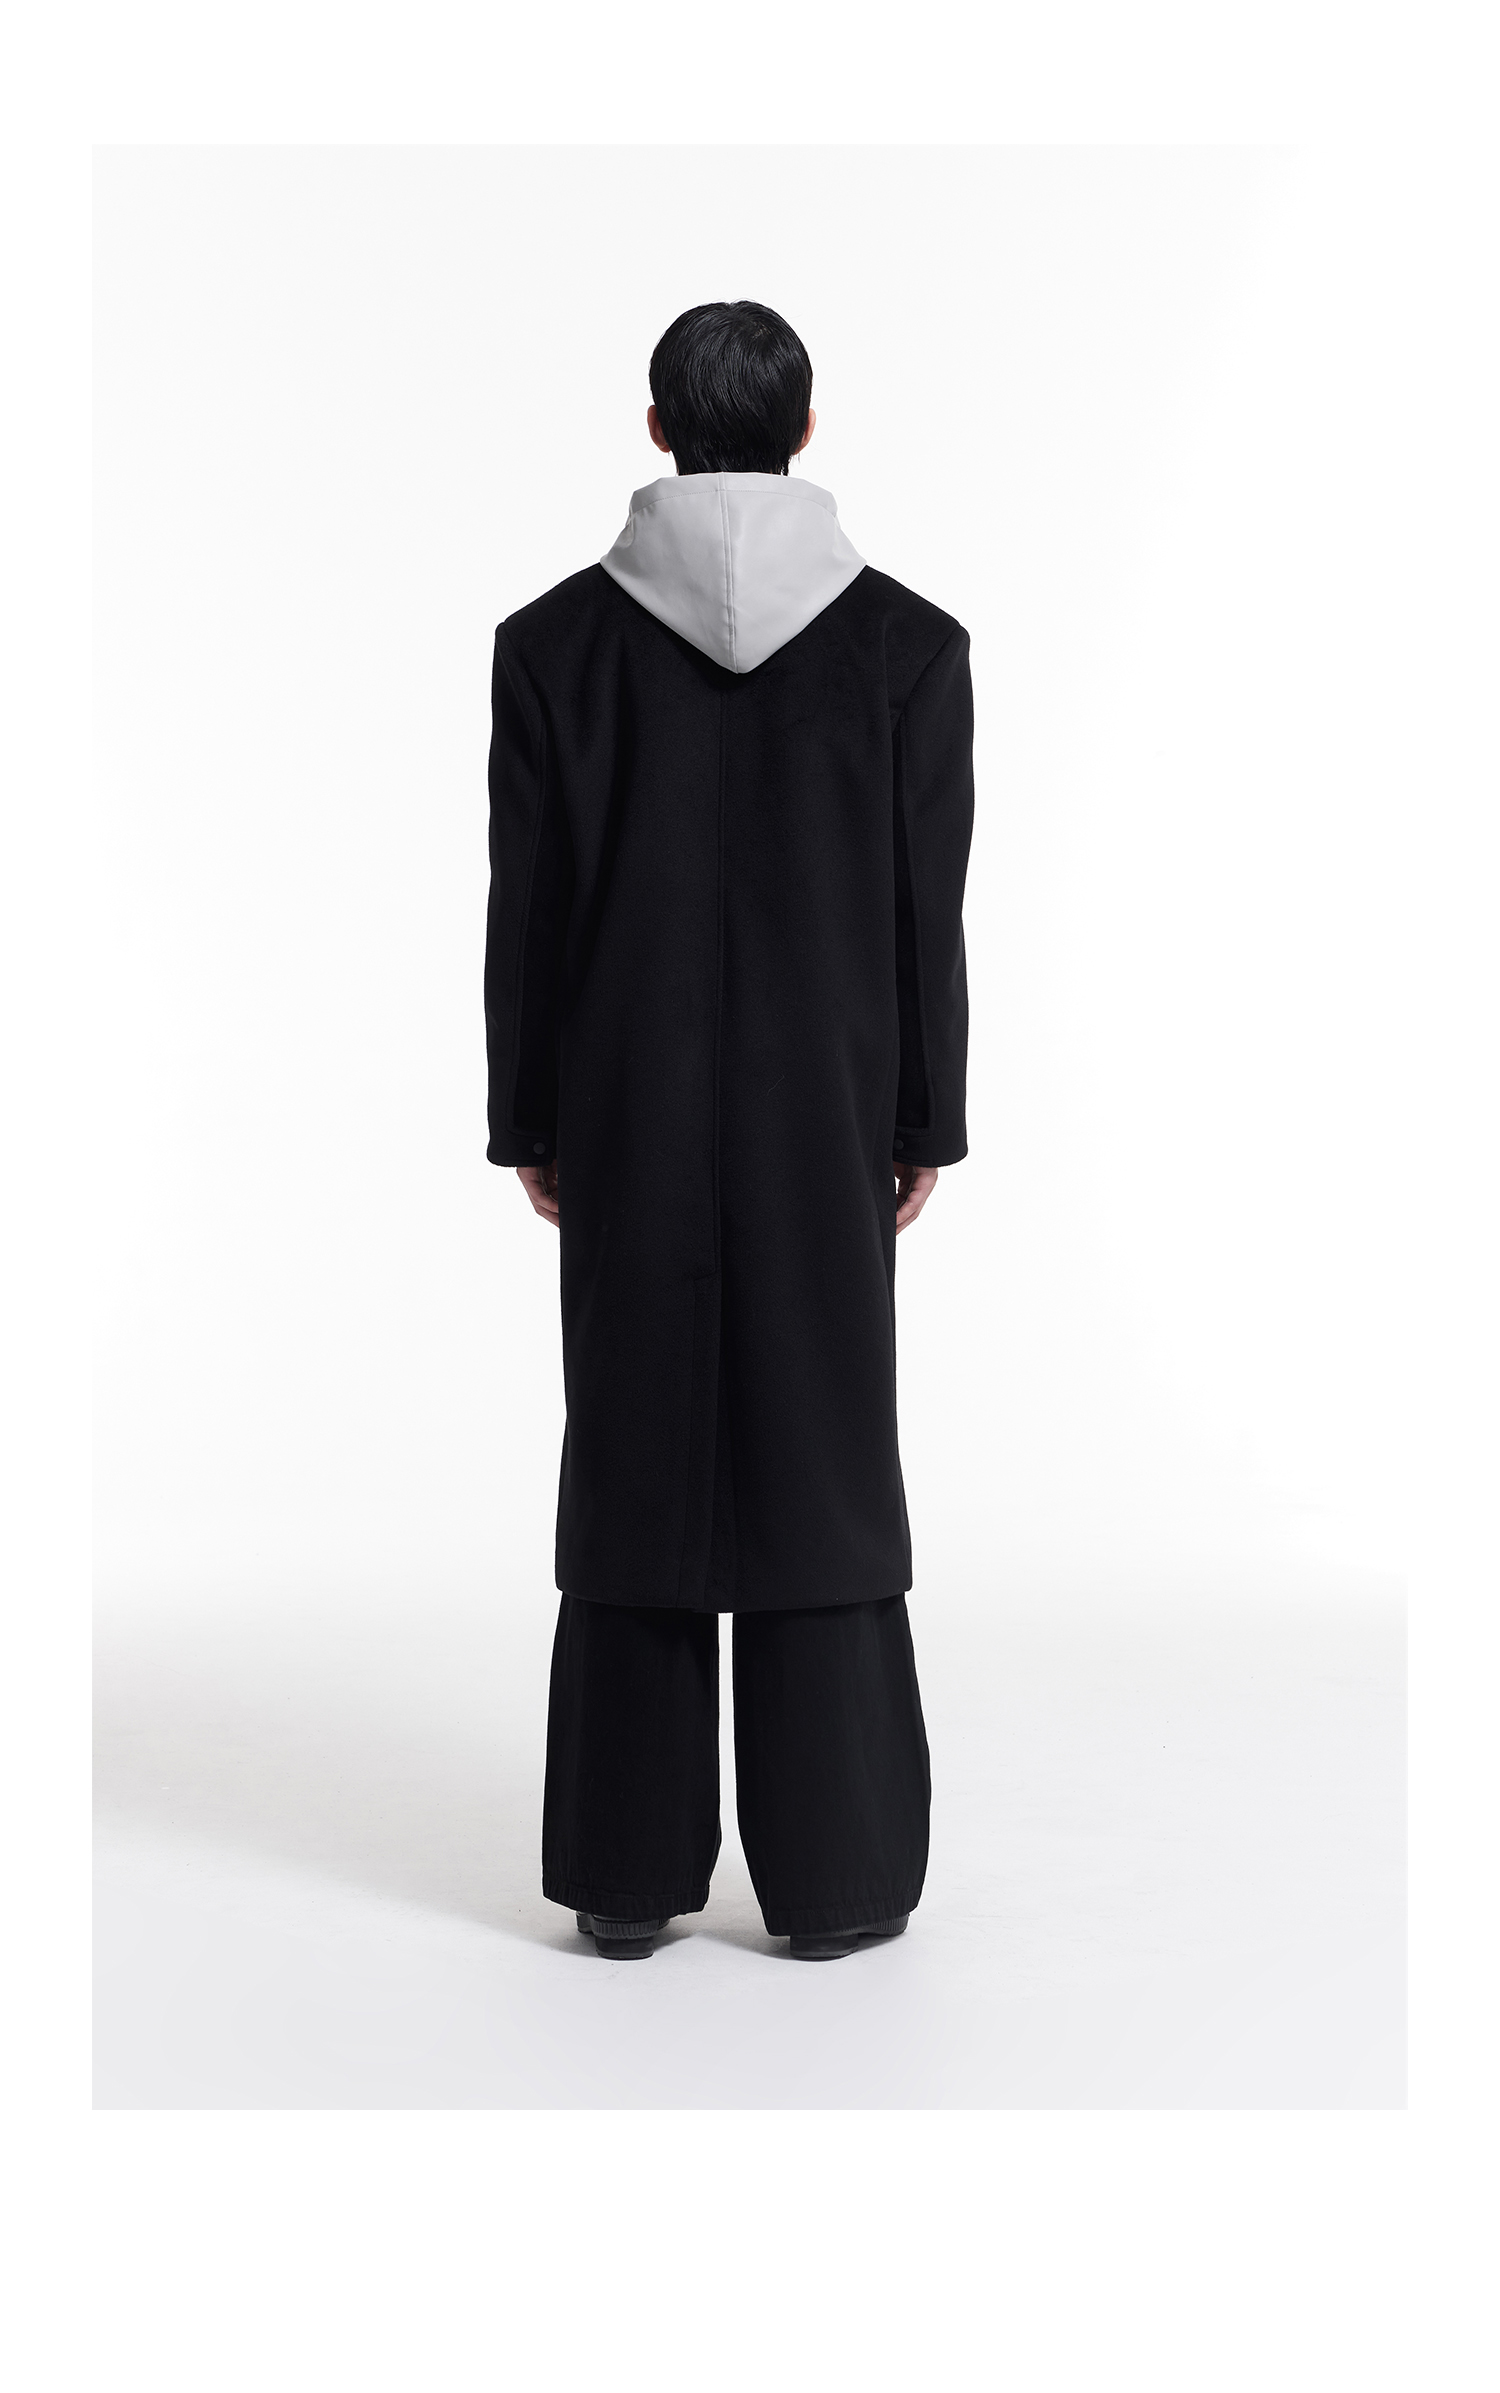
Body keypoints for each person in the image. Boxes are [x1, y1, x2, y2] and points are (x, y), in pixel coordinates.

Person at [484, 300, 974, 1961]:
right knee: (823, 1450)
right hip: (826, 1123)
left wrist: (531, 1114)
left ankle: (623, 1877)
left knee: (635, 1449)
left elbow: (529, 911)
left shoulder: (553, 647)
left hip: (623, 1115)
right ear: (807, 430)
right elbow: (924, 914)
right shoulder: (909, 651)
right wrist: (921, 1117)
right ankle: (842, 1879)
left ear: (655, 428)